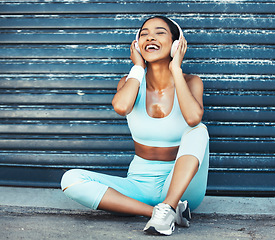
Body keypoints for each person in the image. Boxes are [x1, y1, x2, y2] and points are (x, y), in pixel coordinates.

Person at [61, 16, 209, 236]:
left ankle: (169, 204)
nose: (150, 36)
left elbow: (193, 118)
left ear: (177, 44)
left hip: (182, 188)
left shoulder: (191, 82)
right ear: (137, 45)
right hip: (139, 184)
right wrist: (137, 68)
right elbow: (121, 107)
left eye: (160, 32)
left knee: (199, 130)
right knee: (70, 179)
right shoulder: (130, 82)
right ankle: (163, 212)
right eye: (144, 33)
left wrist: (176, 69)